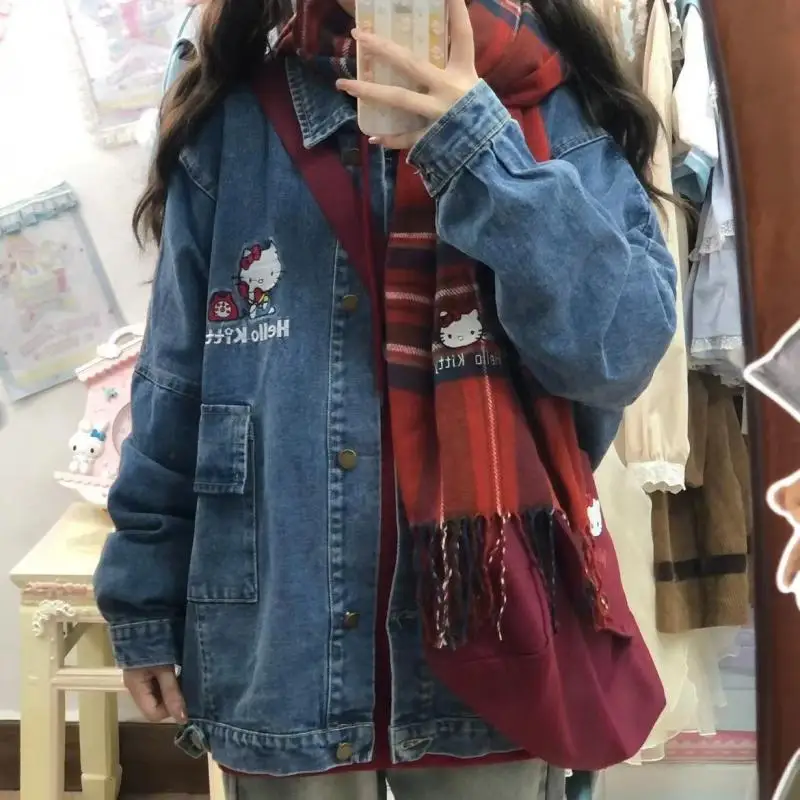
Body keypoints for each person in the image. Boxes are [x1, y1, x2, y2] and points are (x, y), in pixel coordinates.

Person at [94, 0, 678, 797]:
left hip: (496, 643)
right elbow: (175, 386)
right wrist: (142, 597)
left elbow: (617, 354)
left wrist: (477, 147)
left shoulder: (554, 107)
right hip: (283, 651)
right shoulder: (234, 122)